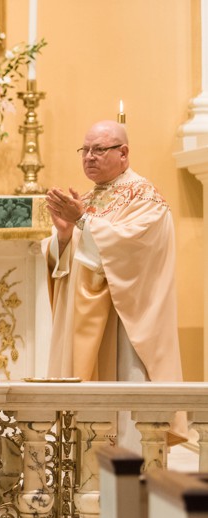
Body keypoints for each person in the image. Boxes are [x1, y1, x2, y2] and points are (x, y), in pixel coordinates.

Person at [43, 120, 184, 445]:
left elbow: (131, 249)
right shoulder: (89, 198)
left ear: (123, 153)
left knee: (125, 423)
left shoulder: (145, 198)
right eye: (85, 150)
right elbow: (72, 259)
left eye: (99, 150)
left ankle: (130, 479)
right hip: (89, 322)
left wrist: (82, 221)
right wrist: (64, 236)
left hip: (124, 323)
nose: (89, 157)